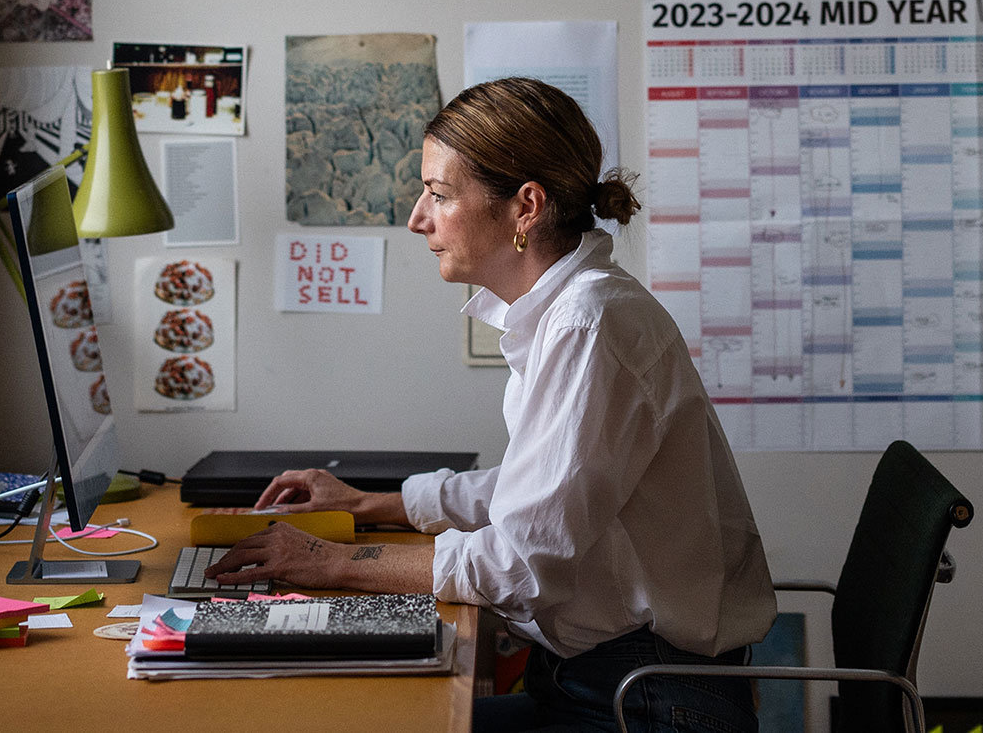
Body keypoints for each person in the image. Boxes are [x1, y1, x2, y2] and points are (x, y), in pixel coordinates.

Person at [209, 77, 774, 733]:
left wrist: (328, 562)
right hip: (605, 680)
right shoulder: (573, 312)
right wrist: (371, 504)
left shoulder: (590, 325)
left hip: (644, 701)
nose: (419, 218)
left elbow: (520, 564)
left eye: (440, 195)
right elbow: (539, 495)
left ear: (525, 206)